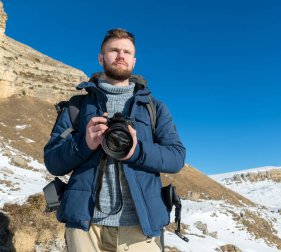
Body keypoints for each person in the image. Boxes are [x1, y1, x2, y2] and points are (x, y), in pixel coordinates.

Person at [44, 28, 186, 252]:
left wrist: (136, 151)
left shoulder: (154, 108)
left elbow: (176, 157)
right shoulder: (76, 107)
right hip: (86, 229)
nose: (121, 55)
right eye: (114, 50)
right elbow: (52, 160)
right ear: (101, 58)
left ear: (134, 60)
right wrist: (85, 144)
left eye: (127, 52)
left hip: (140, 229)